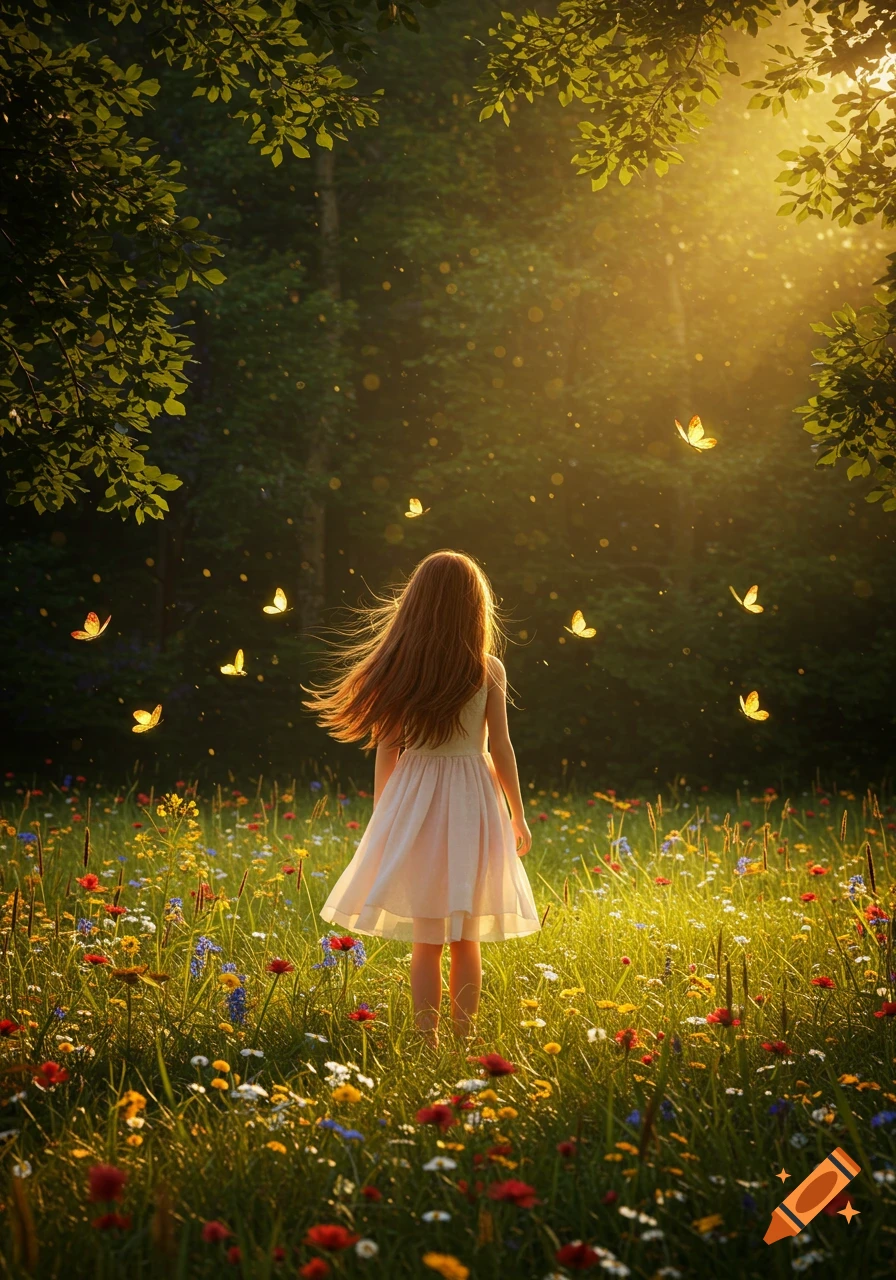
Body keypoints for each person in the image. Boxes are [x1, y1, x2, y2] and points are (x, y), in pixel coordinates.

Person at [303, 549, 539, 1048]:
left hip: (417, 801)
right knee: (466, 935)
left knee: (427, 939)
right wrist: (518, 814)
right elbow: (501, 747)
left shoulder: (401, 667)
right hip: (473, 802)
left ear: (415, 603)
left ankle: (426, 1038)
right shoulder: (487, 668)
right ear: (476, 607)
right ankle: (462, 1036)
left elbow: (387, 751)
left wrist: (386, 815)